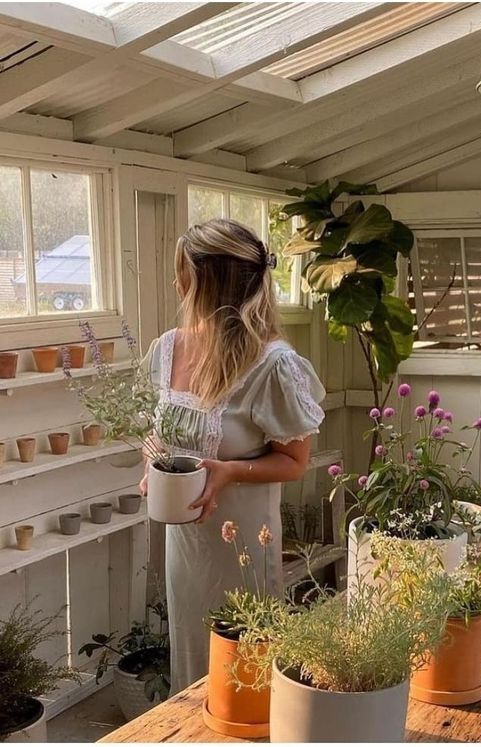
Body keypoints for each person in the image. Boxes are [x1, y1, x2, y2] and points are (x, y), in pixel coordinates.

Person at [140, 218, 325, 693]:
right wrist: (153, 465)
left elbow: (294, 461)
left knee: (244, 670)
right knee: (192, 660)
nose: (176, 282)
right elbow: (157, 431)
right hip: (185, 544)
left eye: (183, 271)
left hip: (242, 544)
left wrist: (229, 472)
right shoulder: (168, 348)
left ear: (206, 280)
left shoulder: (272, 363)